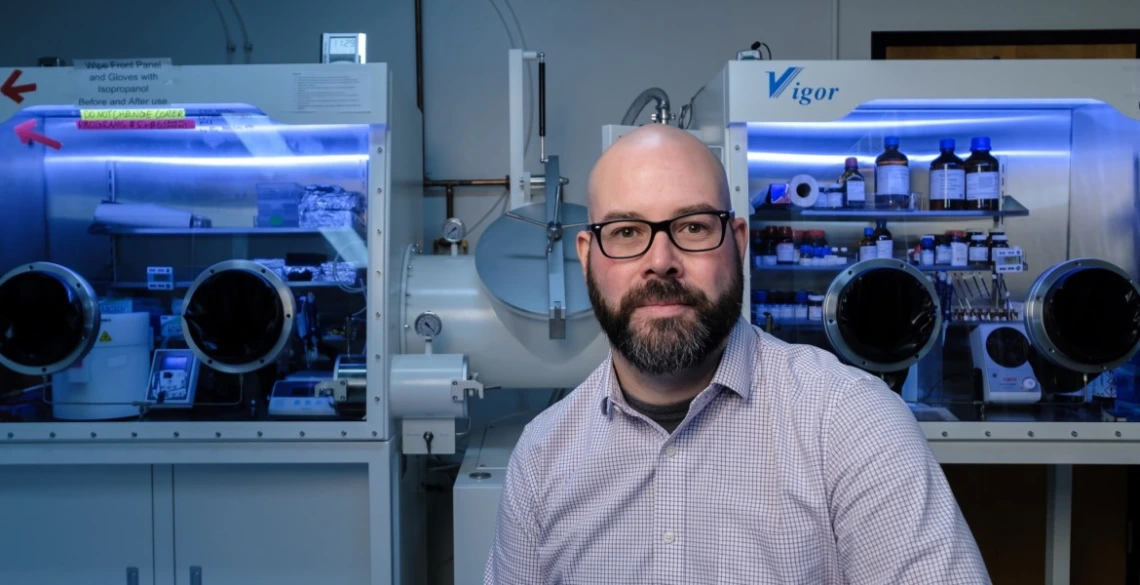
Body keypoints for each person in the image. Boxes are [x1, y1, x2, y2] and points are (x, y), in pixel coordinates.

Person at [484, 124, 990, 584]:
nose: (661, 262)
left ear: (738, 241)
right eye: (626, 232)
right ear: (587, 256)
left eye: (693, 227)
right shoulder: (543, 456)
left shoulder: (849, 422)